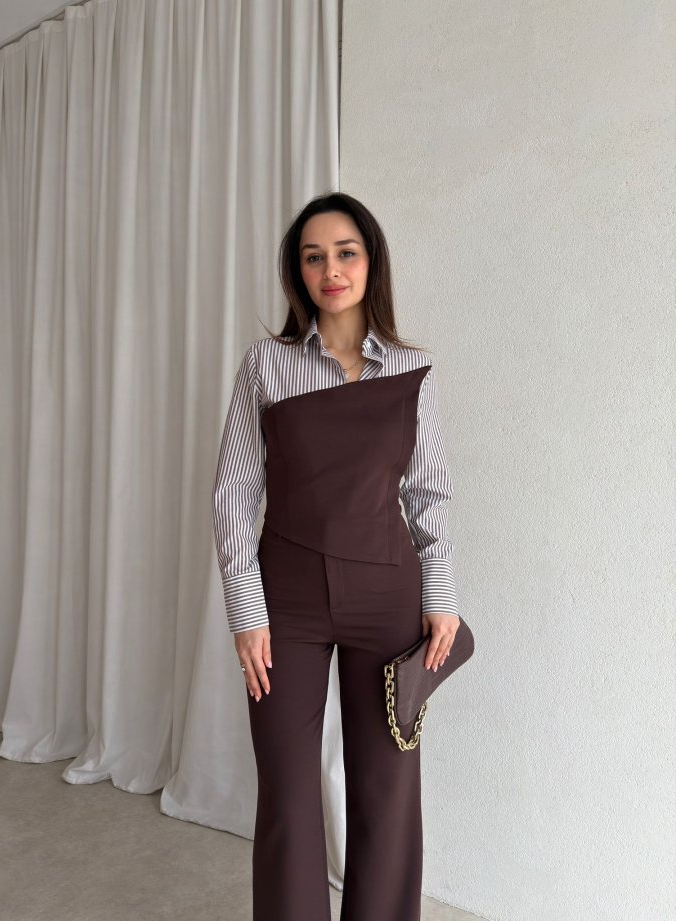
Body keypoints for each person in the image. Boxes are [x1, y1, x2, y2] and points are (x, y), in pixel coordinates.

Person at [211, 191, 460, 921]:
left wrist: (441, 598)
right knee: (287, 790)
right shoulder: (267, 365)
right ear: (298, 272)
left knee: (387, 789)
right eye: (313, 256)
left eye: (345, 252)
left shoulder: (412, 369)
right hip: (284, 602)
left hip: (387, 597)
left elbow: (429, 494)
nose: (331, 270)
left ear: (370, 261)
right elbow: (233, 493)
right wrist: (246, 612)